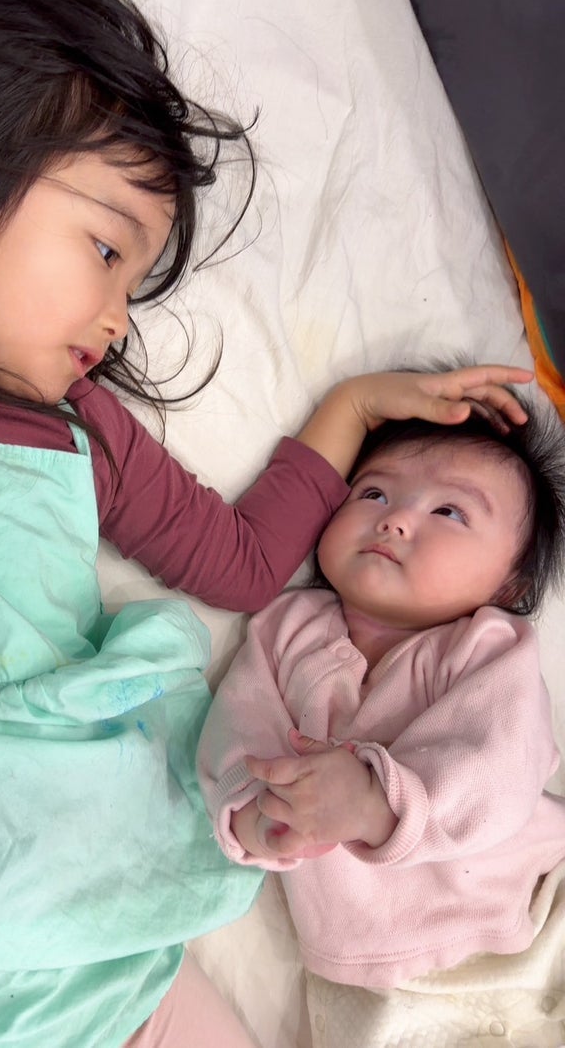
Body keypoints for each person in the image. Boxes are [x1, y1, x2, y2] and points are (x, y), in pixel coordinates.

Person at [0, 0, 533, 1044]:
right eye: (104, 248)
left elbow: (242, 565)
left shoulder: (81, 429)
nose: (119, 318)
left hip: (87, 960)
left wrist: (351, 413)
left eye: (132, 280)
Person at [198, 395, 565, 994]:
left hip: (524, 910)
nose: (394, 520)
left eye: (449, 511)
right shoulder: (287, 628)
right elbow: (238, 726)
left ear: (510, 583)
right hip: (361, 963)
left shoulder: (488, 649)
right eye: (372, 494)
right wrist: (254, 814)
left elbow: (500, 766)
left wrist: (378, 802)